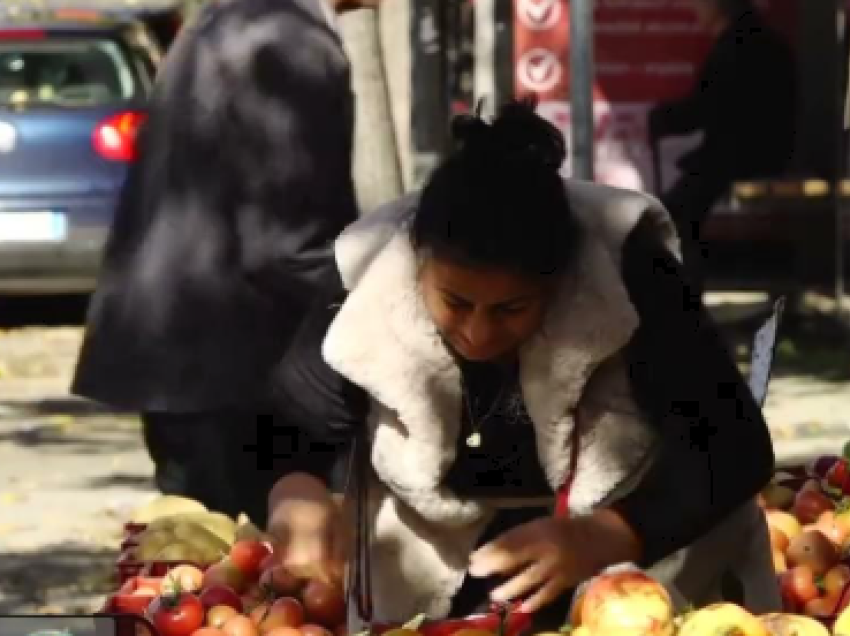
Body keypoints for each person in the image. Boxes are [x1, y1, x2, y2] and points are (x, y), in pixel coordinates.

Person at [266, 100, 780, 628]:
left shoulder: (630, 276)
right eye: (456, 302)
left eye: (511, 309)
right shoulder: (371, 277)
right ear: (419, 260)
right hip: (432, 591)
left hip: (634, 589)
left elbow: (733, 447)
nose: (478, 333)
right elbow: (287, 424)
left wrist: (610, 532)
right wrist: (296, 491)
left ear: (561, 282)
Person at [71, 0, 381, 526]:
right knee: (258, 575)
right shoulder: (288, 41)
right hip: (238, 375)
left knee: (201, 568)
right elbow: (287, 240)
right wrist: (384, 300)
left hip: (189, 358)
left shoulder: (230, 18)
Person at [648, 0, 796, 291]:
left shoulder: (736, 44)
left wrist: (662, 118)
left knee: (673, 216)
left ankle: (688, 292)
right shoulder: (761, 39)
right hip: (761, 153)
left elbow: (706, 107)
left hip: (739, 158)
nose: (693, 9)